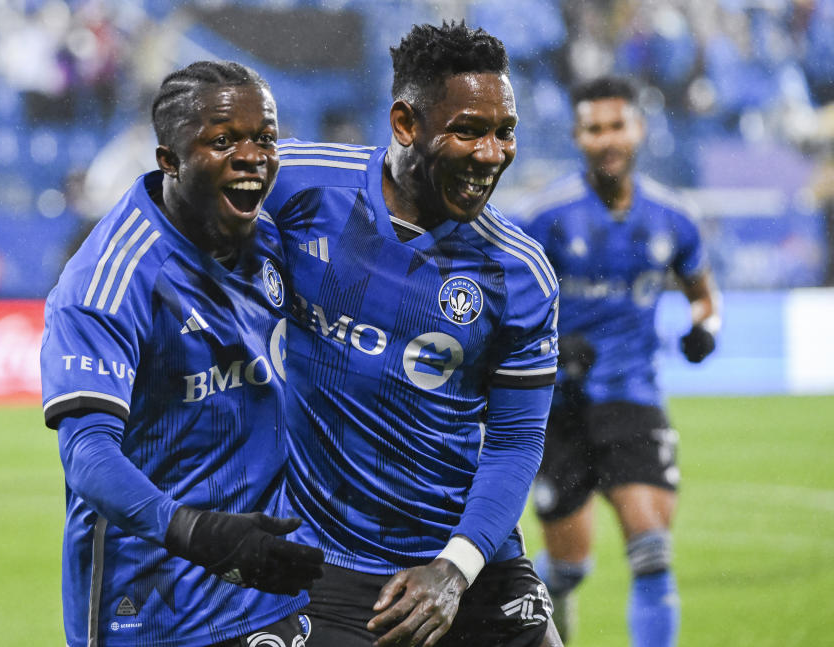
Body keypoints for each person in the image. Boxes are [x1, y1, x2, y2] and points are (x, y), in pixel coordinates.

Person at [263, 21, 563, 647]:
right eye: (468, 131)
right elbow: (171, 201)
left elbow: (515, 442)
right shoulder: (295, 186)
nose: (491, 154)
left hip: (471, 559)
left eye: (504, 132)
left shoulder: (519, 273)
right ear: (405, 124)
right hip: (332, 562)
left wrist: (454, 570)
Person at [39, 60, 324, 647]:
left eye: (265, 138)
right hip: (150, 605)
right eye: (223, 142)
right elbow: (89, 455)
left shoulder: (276, 234)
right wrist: (196, 531)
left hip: (266, 583)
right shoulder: (110, 279)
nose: (252, 156)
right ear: (168, 158)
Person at [518, 76, 720, 647]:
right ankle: (551, 595)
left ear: (638, 130)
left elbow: (703, 293)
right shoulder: (547, 217)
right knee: (570, 566)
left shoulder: (672, 217)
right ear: (578, 137)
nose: (606, 139)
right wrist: (554, 344)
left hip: (634, 395)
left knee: (651, 548)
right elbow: (504, 309)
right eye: (593, 128)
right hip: (559, 406)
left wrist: (704, 328)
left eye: (616, 126)